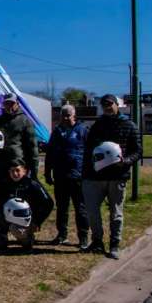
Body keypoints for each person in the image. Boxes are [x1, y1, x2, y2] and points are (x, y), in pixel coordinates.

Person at [81, 94, 142, 259]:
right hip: (95, 176)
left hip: (118, 176)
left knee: (116, 212)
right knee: (92, 212)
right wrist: (86, 172)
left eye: (110, 104)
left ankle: (114, 244)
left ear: (117, 105)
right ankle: (97, 241)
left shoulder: (129, 125)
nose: (107, 107)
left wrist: (126, 161)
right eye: (104, 105)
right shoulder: (97, 125)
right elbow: (88, 150)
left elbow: (137, 151)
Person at [44, 105, 89, 248]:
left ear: (74, 115)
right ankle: (62, 235)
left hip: (78, 176)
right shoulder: (57, 132)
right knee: (62, 208)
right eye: (63, 115)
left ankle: (83, 237)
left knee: (80, 208)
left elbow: (89, 153)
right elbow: (49, 154)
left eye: (68, 114)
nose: (66, 117)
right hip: (60, 176)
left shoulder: (82, 131)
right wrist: (47, 173)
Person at [0, 163, 54, 251]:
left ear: (24, 171)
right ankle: (0, 243)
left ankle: (27, 241)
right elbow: (2, 203)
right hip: (9, 218)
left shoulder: (32, 184)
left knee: (15, 228)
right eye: (12, 171)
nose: (15, 173)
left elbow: (49, 203)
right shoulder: (5, 184)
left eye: (17, 170)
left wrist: (37, 222)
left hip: (25, 222)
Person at [0, 93, 40, 204]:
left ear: (17, 104)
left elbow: (33, 147)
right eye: (7, 103)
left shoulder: (25, 121)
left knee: (19, 199)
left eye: (12, 103)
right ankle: (2, 220)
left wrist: (34, 171)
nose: (9, 106)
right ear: (3, 104)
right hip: (1, 166)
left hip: (18, 167)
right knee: (2, 198)